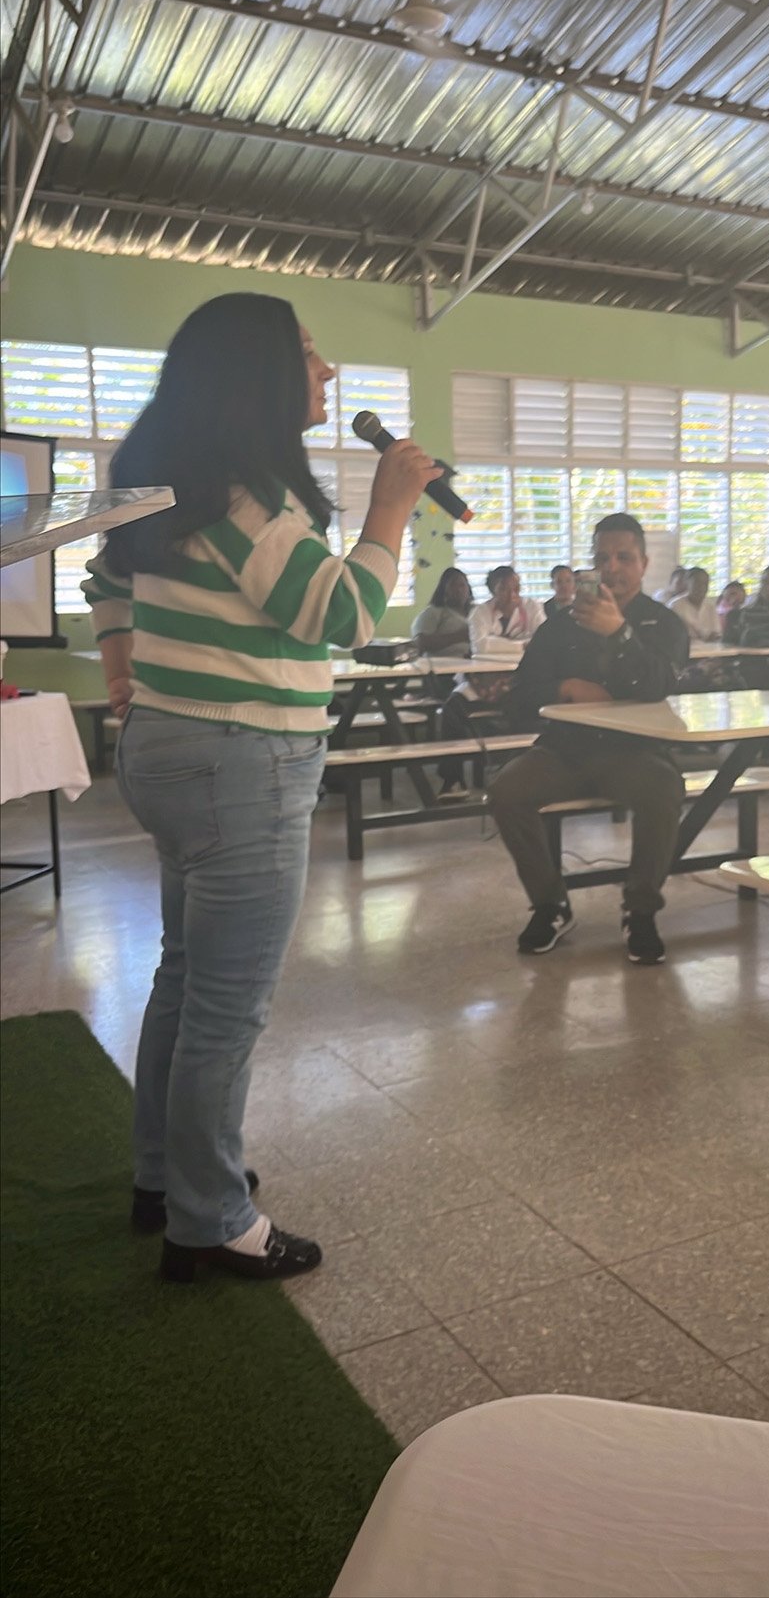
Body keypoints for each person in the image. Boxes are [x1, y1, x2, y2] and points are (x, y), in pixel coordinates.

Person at [84, 293, 439, 1283]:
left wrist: (120, 662)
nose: (326, 373)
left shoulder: (177, 483)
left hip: (175, 749)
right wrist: (391, 508)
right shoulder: (245, 495)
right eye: (311, 355)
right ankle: (210, 1218)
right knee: (226, 1006)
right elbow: (343, 613)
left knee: (186, 977)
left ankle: (165, 1173)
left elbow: (103, 580)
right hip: (238, 762)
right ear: (259, 376)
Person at [489, 514, 689, 966]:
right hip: (565, 750)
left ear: (643, 563)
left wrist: (618, 634)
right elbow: (520, 696)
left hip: (635, 752)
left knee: (663, 789)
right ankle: (550, 904)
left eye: (624, 557)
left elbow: (659, 687)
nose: (612, 567)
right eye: (602, 557)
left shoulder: (664, 625)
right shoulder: (560, 624)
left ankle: (640, 909)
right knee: (506, 791)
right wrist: (569, 689)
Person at [436, 566, 545, 797]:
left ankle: (517, 776)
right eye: (503, 589)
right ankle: (452, 780)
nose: (512, 595)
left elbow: (542, 644)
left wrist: (505, 644)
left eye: (516, 588)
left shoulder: (533, 608)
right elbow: (480, 647)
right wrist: (520, 645)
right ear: (491, 590)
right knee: (452, 709)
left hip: (519, 683)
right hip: (480, 683)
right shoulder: (479, 613)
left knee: (527, 711)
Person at [412, 567, 473, 658]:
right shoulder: (433, 612)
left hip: (477, 664)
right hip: (442, 667)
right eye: (453, 586)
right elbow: (420, 643)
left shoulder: (477, 611)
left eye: (462, 585)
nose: (459, 590)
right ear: (444, 590)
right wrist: (460, 636)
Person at [667, 566, 722, 641]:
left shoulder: (711, 607)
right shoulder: (675, 605)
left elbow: (717, 633)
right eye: (697, 583)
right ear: (687, 583)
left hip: (709, 649)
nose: (701, 588)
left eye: (705, 584)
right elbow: (670, 634)